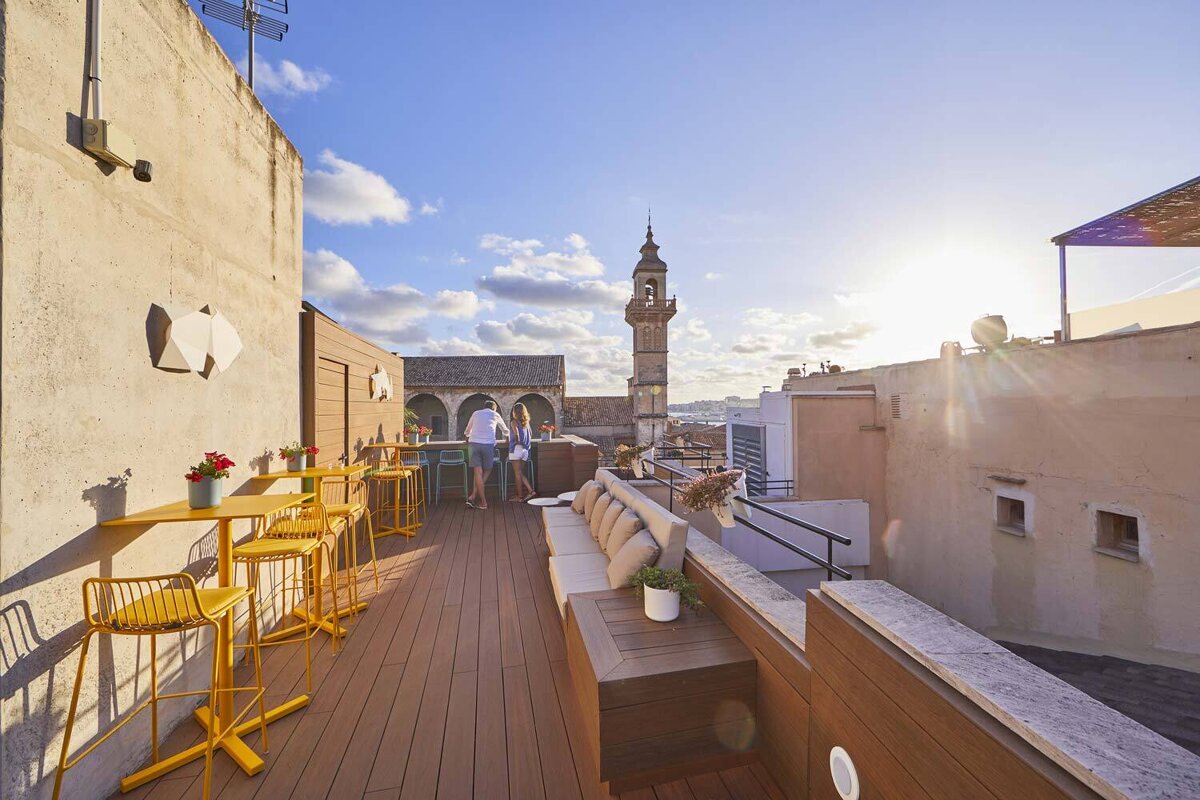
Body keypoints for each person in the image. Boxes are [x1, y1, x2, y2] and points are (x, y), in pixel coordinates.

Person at [463, 400, 508, 510]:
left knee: (477, 473)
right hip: (488, 445)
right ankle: (483, 502)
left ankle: (473, 496)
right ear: (494, 408)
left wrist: (467, 436)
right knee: (487, 469)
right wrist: (507, 438)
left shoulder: (476, 413)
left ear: (484, 407)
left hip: (473, 444)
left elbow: (467, 431)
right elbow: (505, 430)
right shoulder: (495, 414)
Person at [506, 402, 536, 502]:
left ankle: (520, 497)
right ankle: (531, 491)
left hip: (517, 449)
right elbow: (531, 434)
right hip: (526, 450)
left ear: (515, 412)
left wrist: (514, 439)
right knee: (520, 472)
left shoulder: (514, 422)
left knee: (517, 474)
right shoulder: (527, 422)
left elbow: (517, 435)